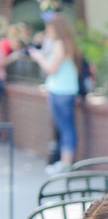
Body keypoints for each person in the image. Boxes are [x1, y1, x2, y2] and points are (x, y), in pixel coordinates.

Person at [27, 16, 78, 175]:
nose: (47, 31)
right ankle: (64, 162)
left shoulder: (60, 44)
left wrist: (39, 58)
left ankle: (66, 163)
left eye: (49, 28)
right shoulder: (65, 44)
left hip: (61, 92)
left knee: (65, 127)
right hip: (62, 90)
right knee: (64, 127)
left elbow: (52, 68)